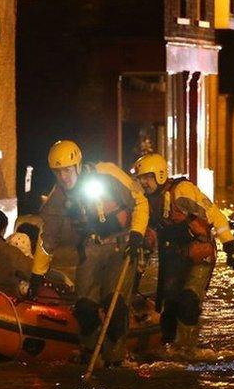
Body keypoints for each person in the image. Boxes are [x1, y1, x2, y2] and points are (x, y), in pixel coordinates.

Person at [26, 140, 149, 366]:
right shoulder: (58, 198)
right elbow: (47, 240)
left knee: (116, 305)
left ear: (78, 165)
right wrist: (37, 275)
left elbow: (140, 201)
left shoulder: (107, 173)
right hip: (90, 250)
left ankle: (115, 358)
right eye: (58, 172)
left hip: (121, 247)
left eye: (67, 170)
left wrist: (137, 234)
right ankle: (92, 352)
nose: (64, 177)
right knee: (84, 308)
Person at [134, 152, 234, 351]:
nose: (144, 183)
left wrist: (230, 246)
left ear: (160, 175)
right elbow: (149, 238)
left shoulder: (182, 192)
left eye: (147, 178)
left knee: (188, 303)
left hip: (199, 255)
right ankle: (171, 348)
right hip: (174, 257)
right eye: (141, 178)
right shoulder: (147, 203)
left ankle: (188, 350)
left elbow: (214, 215)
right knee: (169, 312)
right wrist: (137, 271)